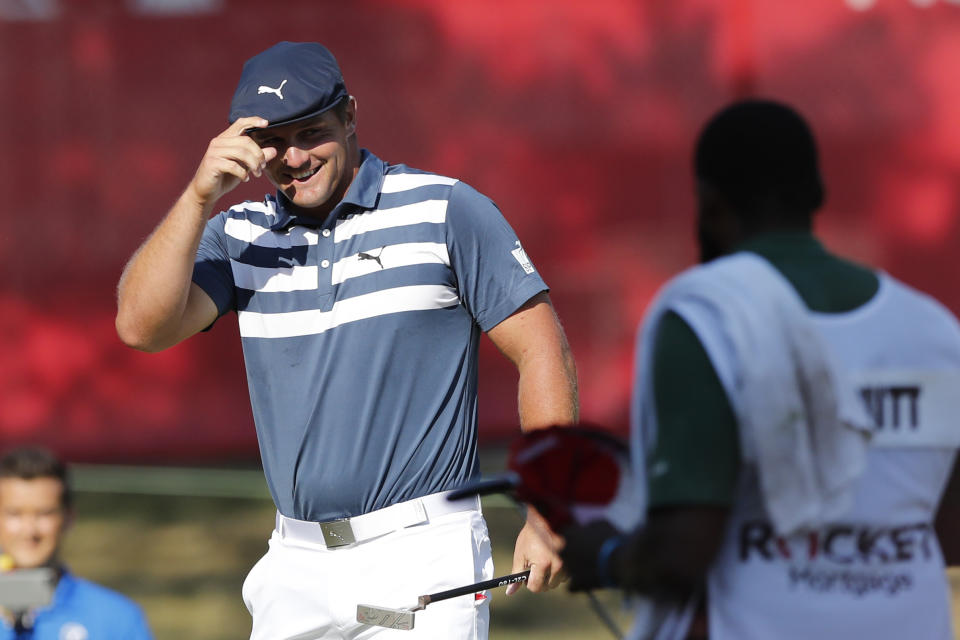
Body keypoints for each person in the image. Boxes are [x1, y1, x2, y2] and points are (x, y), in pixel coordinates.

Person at [115, 41, 578, 639]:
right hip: (293, 561)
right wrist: (199, 195)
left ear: (351, 115)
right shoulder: (237, 235)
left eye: (311, 132)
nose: (293, 156)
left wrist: (549, 509)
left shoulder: (446, 210)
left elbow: (543, 349)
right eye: (272, 141)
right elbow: (139, 327)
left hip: (421, 551)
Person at [561, 99, 960, 640]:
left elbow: (682, 554)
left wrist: (604, 555)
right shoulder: (934, 330)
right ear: (817, 193)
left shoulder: (705, 315)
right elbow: (948, 531)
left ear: (709, 205)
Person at [0, 446, 153, 639]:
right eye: (15, 514)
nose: (30, 531)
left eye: (44, 513)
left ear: (68, 518)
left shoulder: (116, 620)